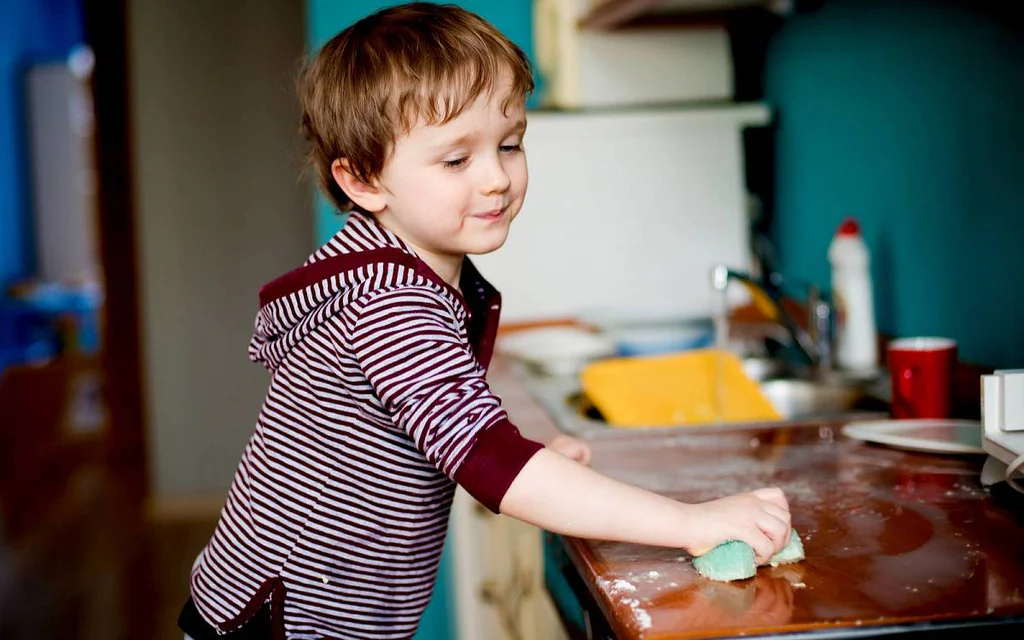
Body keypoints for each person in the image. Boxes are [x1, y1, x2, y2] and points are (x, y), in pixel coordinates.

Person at [178, 4, 791, 638]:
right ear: (362, 179)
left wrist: (529, 463)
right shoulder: (387, 300)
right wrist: (691, 522)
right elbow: (484, 457)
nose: (497, 178)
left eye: (509, 144)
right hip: (282, 625)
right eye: (456, 160)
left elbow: (448, 432)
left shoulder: (406, 273)